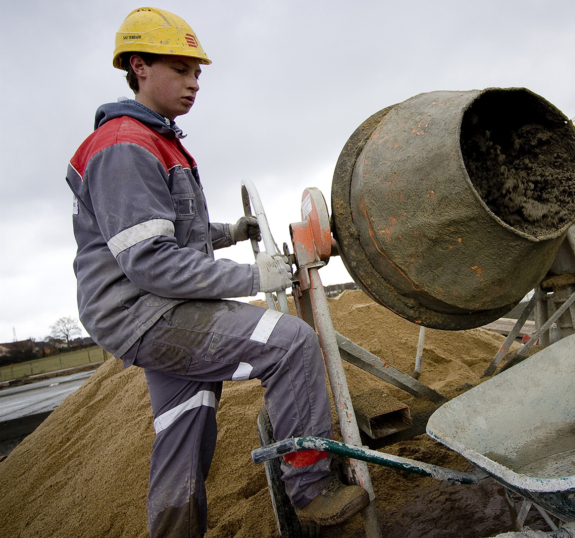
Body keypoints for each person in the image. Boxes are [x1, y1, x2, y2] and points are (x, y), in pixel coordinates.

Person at [64, 7, 368, 537]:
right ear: (138, 66)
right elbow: (150, 261)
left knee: (186, 430)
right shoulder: (124, 147)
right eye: (181, 69)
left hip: (148, 309)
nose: (194, 82)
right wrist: (258, 276)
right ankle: (312, 491)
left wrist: (232, 231)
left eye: (198, 71)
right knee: (291, 344)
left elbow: (170, 230)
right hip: (147, 313)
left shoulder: (155, 139)